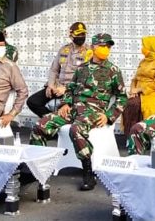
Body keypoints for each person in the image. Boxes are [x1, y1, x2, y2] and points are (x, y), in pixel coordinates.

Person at [30, 33, 127, 191]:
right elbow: (70, 89)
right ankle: (37, 168)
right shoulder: (81, 69)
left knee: (76, 130)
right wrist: (65, 104)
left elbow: (122, 98)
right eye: (103, 46)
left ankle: (88, 170)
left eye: (108, 46)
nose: (106, 49)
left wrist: (109, 116)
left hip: (93, 111)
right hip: (73, 109)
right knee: (40, 126)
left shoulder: (113, 71)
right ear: (94, 47)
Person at [26, 22, 91, 117]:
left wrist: (66, 89)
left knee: (68, 108)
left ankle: (55, 122)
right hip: (58, 87)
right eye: (78, 34)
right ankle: (51, 119)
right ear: (71, 36)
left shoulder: (89, 52)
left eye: (83, 34)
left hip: (75, 90)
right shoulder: (64, 49)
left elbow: (86, 77)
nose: (81, 36)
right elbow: (54, 70)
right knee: (33, 102)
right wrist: (50, 85)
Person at [123, 36, 155, 131]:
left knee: (136, 105)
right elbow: (136, 78)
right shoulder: (144, 61)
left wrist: (140, 89)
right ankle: (129, 136)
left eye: (145, 46)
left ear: (152, 48)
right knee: (129, 104)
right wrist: (133, 90)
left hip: (153, 93)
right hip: (138, 92)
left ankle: (140, 134)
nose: (142, 48)